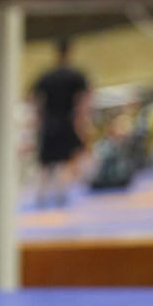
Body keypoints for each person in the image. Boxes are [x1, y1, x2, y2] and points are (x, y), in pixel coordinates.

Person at [32, 38, 91, 206]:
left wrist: (39, 119)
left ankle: (41, 195)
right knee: (63, 160)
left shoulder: (46, 76)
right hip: (66, 121)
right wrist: (81, 120)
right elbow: (85, 98)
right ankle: (59, 194)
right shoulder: (76, 75)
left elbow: (34, 98)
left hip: (49, 122)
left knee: (46, 161)